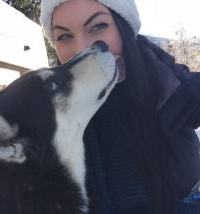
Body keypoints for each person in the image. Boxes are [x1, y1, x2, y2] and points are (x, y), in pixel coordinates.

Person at [40, 0, 200, 213]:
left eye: (98, 26)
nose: (82, 50)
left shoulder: (173, 88)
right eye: (65, 36)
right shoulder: (49, 117)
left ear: (124, 26)